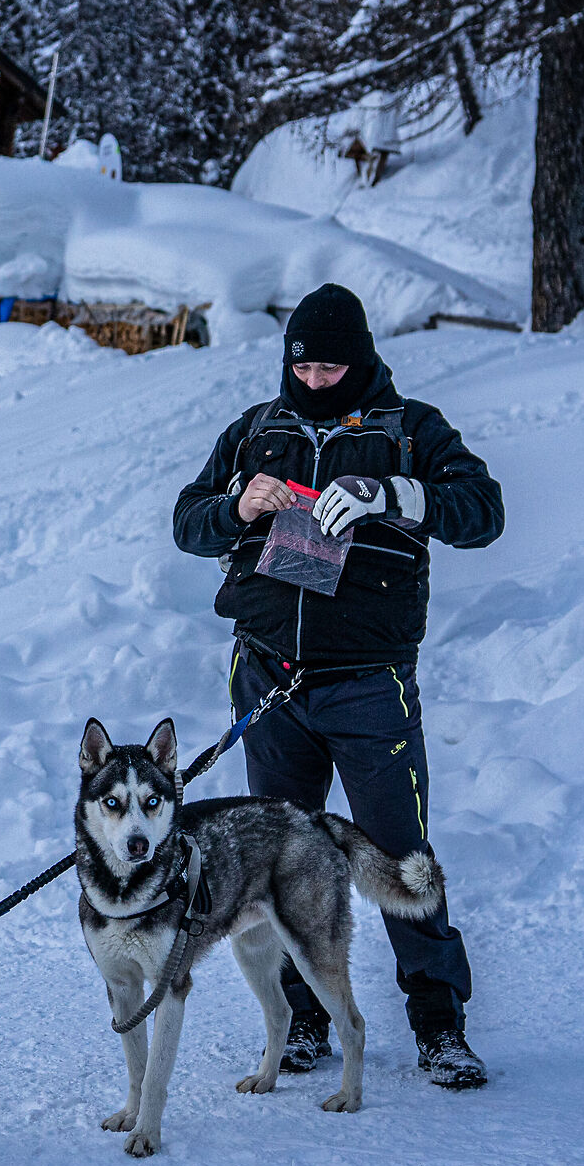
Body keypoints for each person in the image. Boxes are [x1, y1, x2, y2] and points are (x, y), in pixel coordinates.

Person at [172, 283, 503, 1089]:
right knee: (276, 860)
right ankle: (306, 1020)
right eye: (304, 365)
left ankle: (439, 1026)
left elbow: (482, 511)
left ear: (361, 359)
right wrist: (235, 506)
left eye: (330, 366)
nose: (315, 380)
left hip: (368, 684)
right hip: (267, 680)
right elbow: (187, 521)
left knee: (398, 855)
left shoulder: (410, 430)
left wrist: (393, 494)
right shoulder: (258, 430)